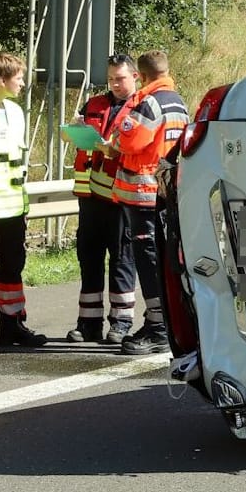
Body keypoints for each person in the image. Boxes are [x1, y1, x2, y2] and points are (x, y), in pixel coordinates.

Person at [111, 49, 188, 355]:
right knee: (163, 259)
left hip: (143, 193)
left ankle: (157, 326)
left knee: (148, 260)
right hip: (165, 192)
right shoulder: (178, 101)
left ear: (141, 75)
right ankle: (166, 323)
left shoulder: (150, 102)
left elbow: (130, 140)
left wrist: (115, 140)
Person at [0, 51, 46, 351]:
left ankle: (12, 324)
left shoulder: (15, 112)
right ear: (2, 79)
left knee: (13, 266)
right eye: (19, 78)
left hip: (14, 206)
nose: (23, 83)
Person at [68, 55, 138, 344]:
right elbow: (82, 134)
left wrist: (114, 150)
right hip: (92, 195)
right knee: (89, 256)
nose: (115, 84)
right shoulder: (95, 103)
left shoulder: (143, 106)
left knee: (122, 257)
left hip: (122, 197)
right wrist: (75, 130)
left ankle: (121, 322)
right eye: (111, 79)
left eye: (120, 78)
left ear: (135, 76)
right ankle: (88, 322)